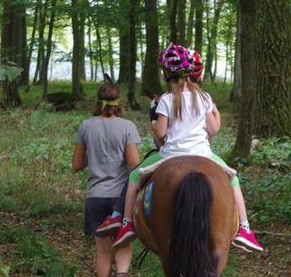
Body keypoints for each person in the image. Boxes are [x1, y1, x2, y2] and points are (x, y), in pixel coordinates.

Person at [111, 43, 264, 254]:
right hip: (203, 153)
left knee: (135, 176)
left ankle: (126, 222)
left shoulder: (166, 99)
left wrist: (154, 124)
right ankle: (245, 229)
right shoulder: (204, 97)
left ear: (166, 74)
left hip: (170, 155)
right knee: (233, 178)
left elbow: (161, 133)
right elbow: (213, 128)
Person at [72, 83, 141, 277]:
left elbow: (77, 165)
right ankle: (121, 276)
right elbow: (133, 165)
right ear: (119, 101)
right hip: (121, 198)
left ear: (98, 101)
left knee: (102, 251)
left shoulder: (86, 126)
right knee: (123, 243)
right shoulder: (127, 127)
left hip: (95, 196)